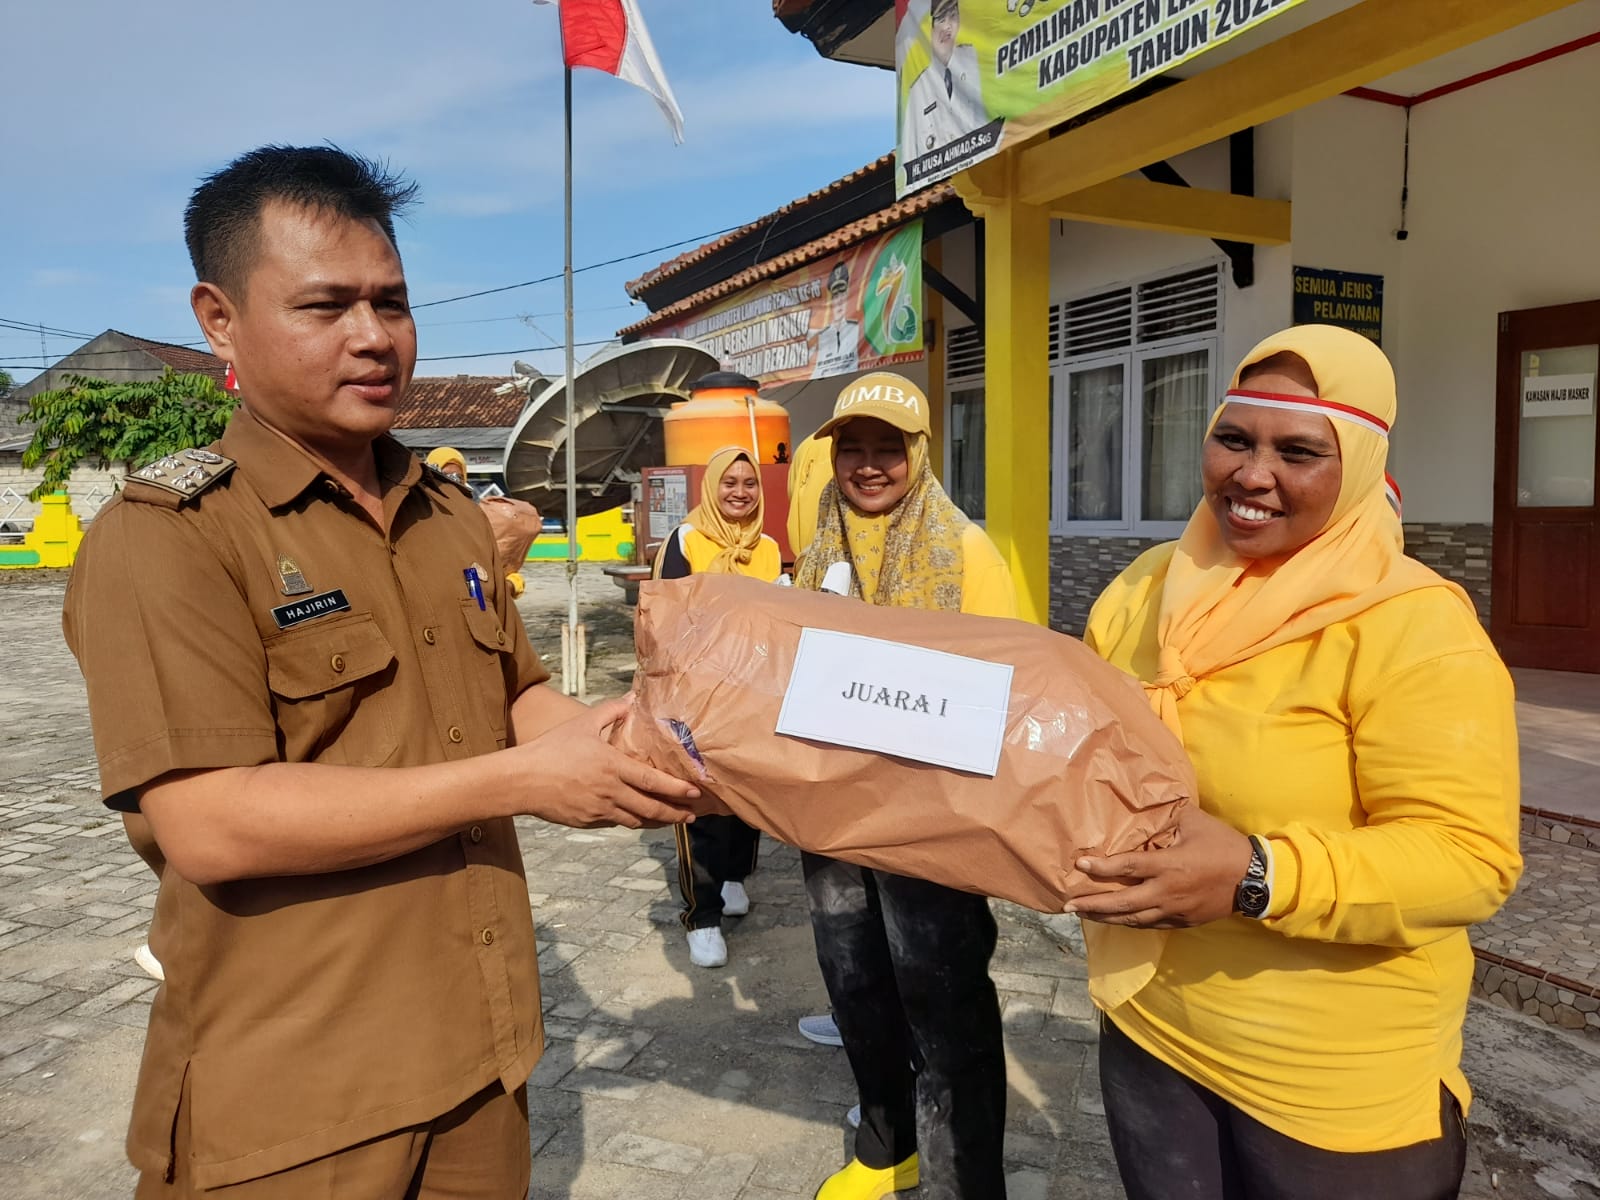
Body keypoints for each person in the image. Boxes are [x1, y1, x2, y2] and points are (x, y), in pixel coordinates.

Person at [61, 144, 700, 1199]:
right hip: (298, 1096)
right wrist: (523, 784)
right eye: (326, 306)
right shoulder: (171, 536)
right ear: (218, 319)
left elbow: (514, 699)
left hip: (478, 1056)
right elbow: (209, 822)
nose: (374, 337)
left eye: (392, 303)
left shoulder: (445, 511)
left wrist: (624, 736)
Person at [1073, 325, 1522, 1199]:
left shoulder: (1413, 628)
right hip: (1150, 1025)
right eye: (1233, 438)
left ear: (1355, 466)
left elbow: (1469, 861)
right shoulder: (1143, 588)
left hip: (1331, 1080)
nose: (1251, 473)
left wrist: (1257, 875)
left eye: (1298, 451)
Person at [792, 372, 1016, 1200]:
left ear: (920, 454)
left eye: (889, 448)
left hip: (933, 822)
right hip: (830, 815)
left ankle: (966, 1180)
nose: (870, 465)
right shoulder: (817, 552)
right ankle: (887, 1145)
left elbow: (1009, 686)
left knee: (945, 995)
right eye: (854, 448)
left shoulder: (966, 551)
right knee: (855, 979)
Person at [652, 445, 783, 967]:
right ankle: (700, 917)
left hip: (752, 693)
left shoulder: (770, 547)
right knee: (699, 801)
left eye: (749, 483)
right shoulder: (686, 539)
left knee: (747, 795)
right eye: (729, 482)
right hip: (697, 695)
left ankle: (732, 879)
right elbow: (662, 613)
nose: (740, 492)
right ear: (711, 486)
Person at [424, 445, 541, 597]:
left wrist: (510, 584)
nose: (451, 482)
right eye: (443, 476)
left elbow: (478, 576)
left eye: (457, 477)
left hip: (470, 599)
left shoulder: (473, 517)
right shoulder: (418, 517)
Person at [900, 0, 987, 166]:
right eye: (941, 20)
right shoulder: (918, 91)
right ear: (930, 29)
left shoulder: (975, 61)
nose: (948, 27)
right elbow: (910, 155)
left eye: (953, 17)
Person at [811, 261, 861, 379]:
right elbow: (817, 372)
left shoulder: (856, 328)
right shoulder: (823, 335)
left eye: (842, 295)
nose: (839, 301)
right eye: (835, 296)